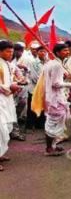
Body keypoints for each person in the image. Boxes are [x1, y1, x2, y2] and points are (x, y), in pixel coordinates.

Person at [44, 43, 71, 156]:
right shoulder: (56, 65)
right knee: (53, 123)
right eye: (64, 51)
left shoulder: (53, 63)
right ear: (57, 53)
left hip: (53, 97)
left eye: (67, 50)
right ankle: (49, 149)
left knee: (57, 121)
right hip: (55, 98)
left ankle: (53, 145)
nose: (67, 52)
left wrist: (64, 78)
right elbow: (55, 84)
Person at [0, 40, 22, 171]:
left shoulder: (7, 64)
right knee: (1, 128)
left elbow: (9, 80)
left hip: (6, 100)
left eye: (11, 52)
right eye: (8, 51)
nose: (10, 54)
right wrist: (10, 87)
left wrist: (15, 84)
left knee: (7, 127)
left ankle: (0, 153)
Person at [26, 45, 48, 131]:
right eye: (41, 51)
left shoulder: (46, 63)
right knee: (32, 107)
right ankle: (29, 126)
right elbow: (35, 77)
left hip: (43, 89)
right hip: (34, 89)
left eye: (44, 52)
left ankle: (40, 124)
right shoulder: (33, 63)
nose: (43, 53)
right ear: (37, 52)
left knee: (42, 107)